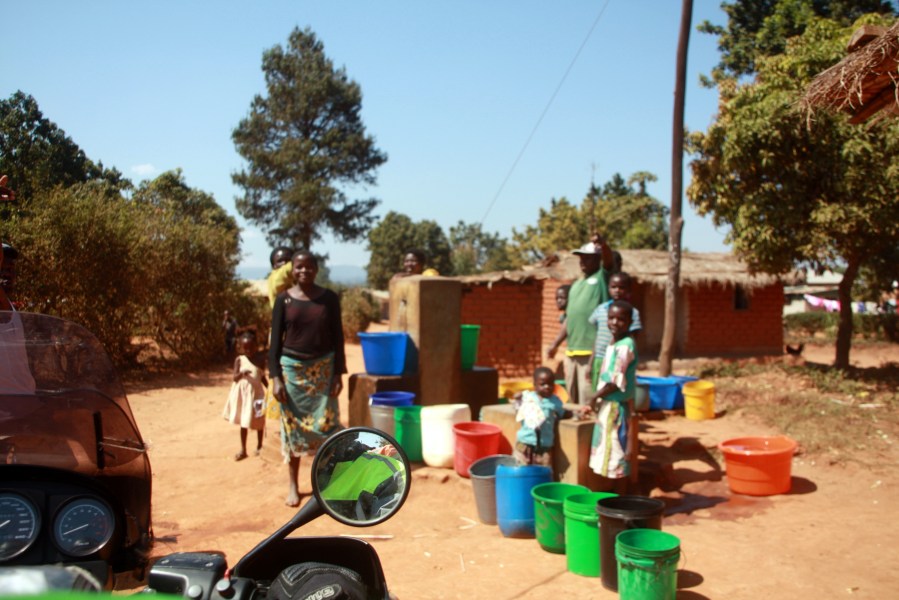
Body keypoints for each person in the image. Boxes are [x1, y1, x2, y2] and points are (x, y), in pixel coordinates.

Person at [269, 250, 346, 506]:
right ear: (292, 270)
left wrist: (338, 373)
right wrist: (276, 377)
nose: (304, 271)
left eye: (309, 267)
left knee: (327, 429)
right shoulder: (284, 300)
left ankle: (323, 483)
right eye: (299, 267)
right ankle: (293, 483)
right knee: (293, 430)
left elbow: (338, 337)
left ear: (316, 269)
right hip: (292, 373)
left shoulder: (329, 299)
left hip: (323, 371)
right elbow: (275, 343)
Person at [587, 300, 638, 493]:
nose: (615, 323)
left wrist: (594, 397)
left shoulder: (624, 346)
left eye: (621, 319)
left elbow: (615, 381)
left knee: (616, 454)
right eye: (611, 318)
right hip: (609, 406)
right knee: (607, 453)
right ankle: (611, 499)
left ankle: (618, 500)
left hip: (615, 408)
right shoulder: (614, 342)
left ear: (630, 321)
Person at [562, 233, 614, 406]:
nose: (583, 262)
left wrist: (603, 245)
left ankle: (591, 430)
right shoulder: (576, 284)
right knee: (572, 397)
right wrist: (555, 344)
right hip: (572, 351)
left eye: (588, 259)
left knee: (589, 398)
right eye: (581, 259)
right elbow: (570, 317)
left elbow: (609, 262)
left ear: (598, 260)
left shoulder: (600, 278)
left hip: (590, 351)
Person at [513, 366, 588, 469]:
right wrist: (517, 399)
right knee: (521, 472)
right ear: (534, 384)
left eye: (550, 384)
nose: (547, 387)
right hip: (525, 444)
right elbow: (517, 408)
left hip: (544, 448)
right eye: (542, 384)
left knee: (543, 473)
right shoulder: (528, 397)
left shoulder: (555, 401)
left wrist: (577, 414)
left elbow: (563, 413)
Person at [588, 272, 642, 388]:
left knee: (615, 388)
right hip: (599, 358)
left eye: (621, 287)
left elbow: (632, 342)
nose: (617, 290)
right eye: (613, 287)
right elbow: (597, 338)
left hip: (617, 360)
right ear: (608, 288)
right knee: (598, 392)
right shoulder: (601, 309)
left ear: (628, 290)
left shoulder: (632, 313)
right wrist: (590, 363)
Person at [223, 330, 266, 461]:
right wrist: (242, 374)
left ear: (256, 346)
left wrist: (270, 388)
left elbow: (262, 376)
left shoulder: (260, 359)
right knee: (244, 421)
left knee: (259, 420)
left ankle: (259, 446)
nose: (248, 351)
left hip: (258, 394)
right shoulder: (239, 360)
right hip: (245, 396)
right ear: (241, 348)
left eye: (251, 348)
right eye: (245, 348)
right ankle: (243, 449)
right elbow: (234, 378)